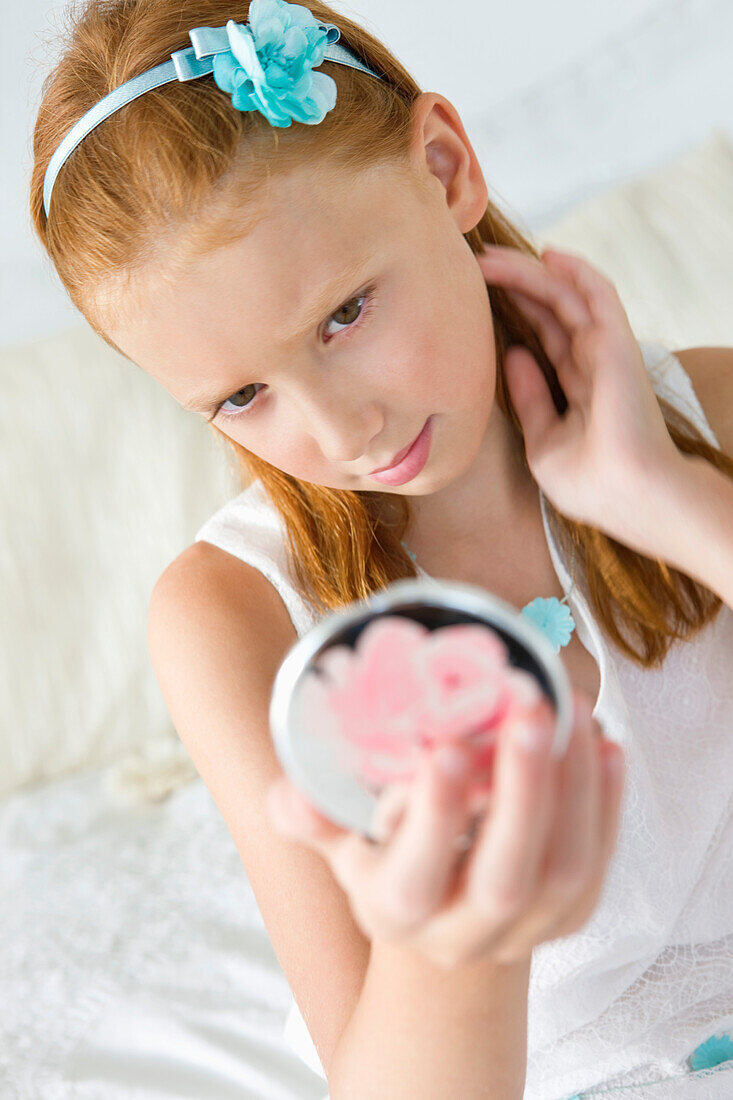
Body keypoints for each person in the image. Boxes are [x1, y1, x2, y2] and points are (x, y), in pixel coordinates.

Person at [30, 2, 733, 1097]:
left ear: (446, 168)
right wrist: (458, 932)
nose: (341, 432)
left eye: (344, 313)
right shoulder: (239, 618)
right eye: (243, 396)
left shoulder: (708, 410)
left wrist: (672, 501)